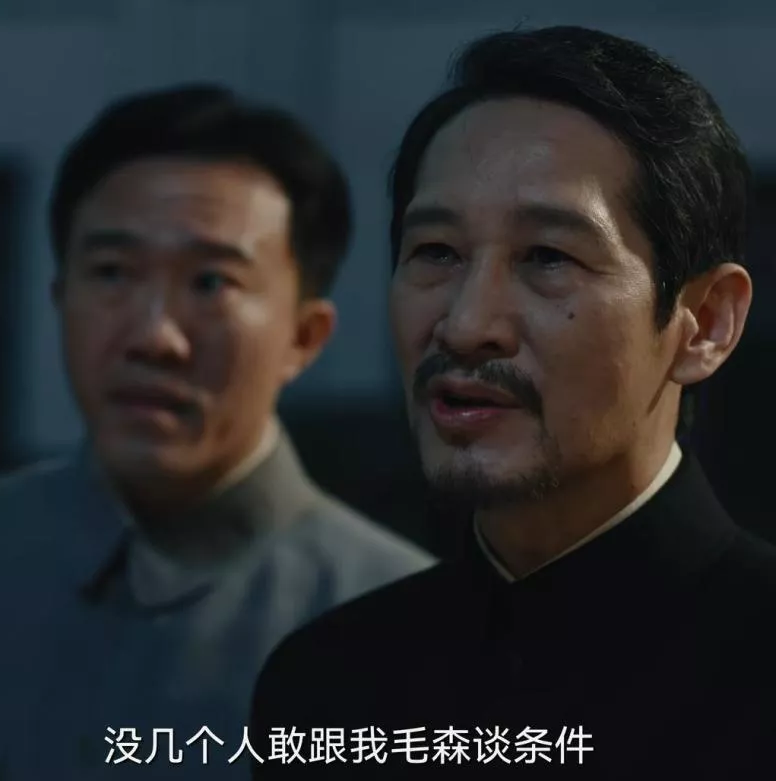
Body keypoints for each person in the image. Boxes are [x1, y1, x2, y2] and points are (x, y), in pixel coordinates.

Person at [0, 85, 433, 781]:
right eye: (111, 272)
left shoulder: (408, 627)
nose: (153, 336)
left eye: (210, 282)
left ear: (303, 336)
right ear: (60, 299)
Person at [249, 26, 776, 779]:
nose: (466, 325)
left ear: (707, 322)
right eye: (436, 252)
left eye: (547, 258)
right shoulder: (324, 685)